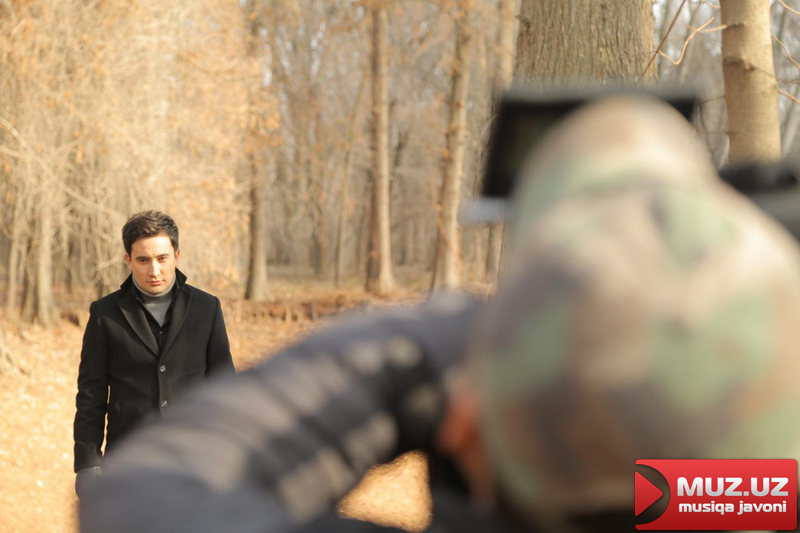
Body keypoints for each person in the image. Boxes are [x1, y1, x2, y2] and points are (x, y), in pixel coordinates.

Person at [79, 96, 800, 532]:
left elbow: (153, 493)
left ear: (466, 423)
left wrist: (443, 335)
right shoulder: (756, 491)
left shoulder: (205, 309)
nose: (155, 267)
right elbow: (711, 493)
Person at [73, 210, 235, 498]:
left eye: (162, 258)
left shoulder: (206, 307)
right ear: (128, 259)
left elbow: (224, 387)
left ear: (177, 255)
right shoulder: (104, 314)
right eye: (143, 260)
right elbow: (91, 394)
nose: (155, 271)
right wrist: (88, 463)